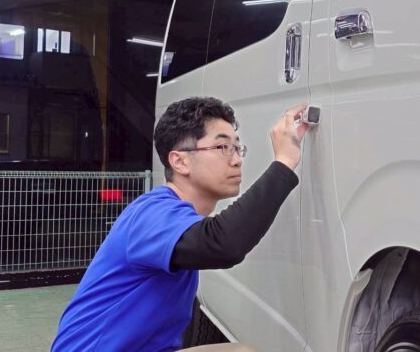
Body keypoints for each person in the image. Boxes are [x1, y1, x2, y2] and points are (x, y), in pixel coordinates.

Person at [51, 97, 309, 352]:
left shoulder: (177, 216)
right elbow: (222, 244)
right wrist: (284, 162)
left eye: (237, 148)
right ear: (180, 161)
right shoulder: (151, 212)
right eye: (223, 147)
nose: (236, 160)